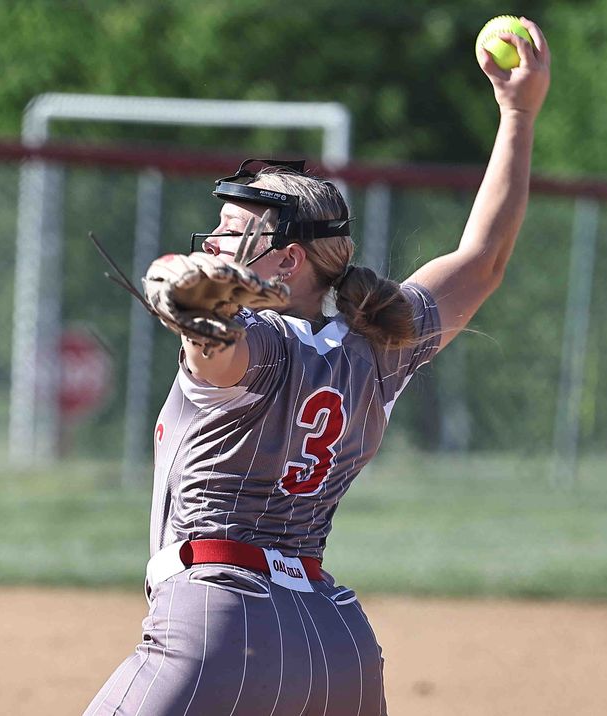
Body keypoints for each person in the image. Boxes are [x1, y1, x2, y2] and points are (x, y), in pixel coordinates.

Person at [84, 18, 550, 716]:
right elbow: (483, 261)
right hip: (336, 648)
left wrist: (193, 311)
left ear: (289, 259)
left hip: (218, 626)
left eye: (233, 231)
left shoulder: (256, 342)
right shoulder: (379, 344)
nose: (213, 239)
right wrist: (519, 113)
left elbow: (219, 350)